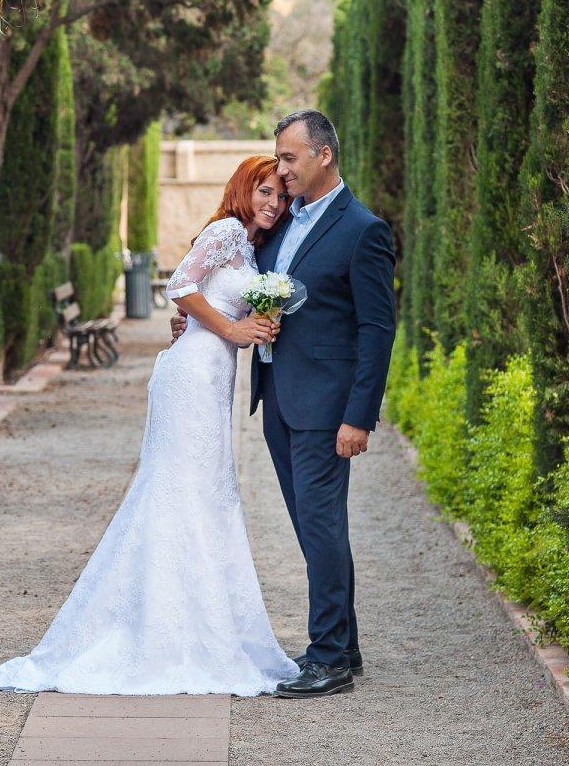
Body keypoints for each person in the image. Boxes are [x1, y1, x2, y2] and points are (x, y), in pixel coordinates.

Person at [0, 155, 298, 695]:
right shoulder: (223, 231)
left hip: (212, 374)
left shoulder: (248, 246)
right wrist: (230, 329)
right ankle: (162, 634)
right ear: (244, 188)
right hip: (192, 374)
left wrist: (250, 325)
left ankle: (196, 624)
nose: (274, 203)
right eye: (265, 191)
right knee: (179, 490)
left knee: (205, 493)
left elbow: (202, 302)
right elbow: (181, 286)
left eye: (281, 197)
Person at [171, 109, 396, 698]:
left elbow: (376, 330)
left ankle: (329, 659)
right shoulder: (281, 224)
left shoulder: (363, 230)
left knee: (321, 526)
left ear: (324, 155)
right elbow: (236, 287)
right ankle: (344, 645)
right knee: (313, 527)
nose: (284, 170)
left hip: (326, 410)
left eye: (291, 158)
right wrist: (197, 320)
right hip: (277, 401)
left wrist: (358, 417)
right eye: (279, 159)